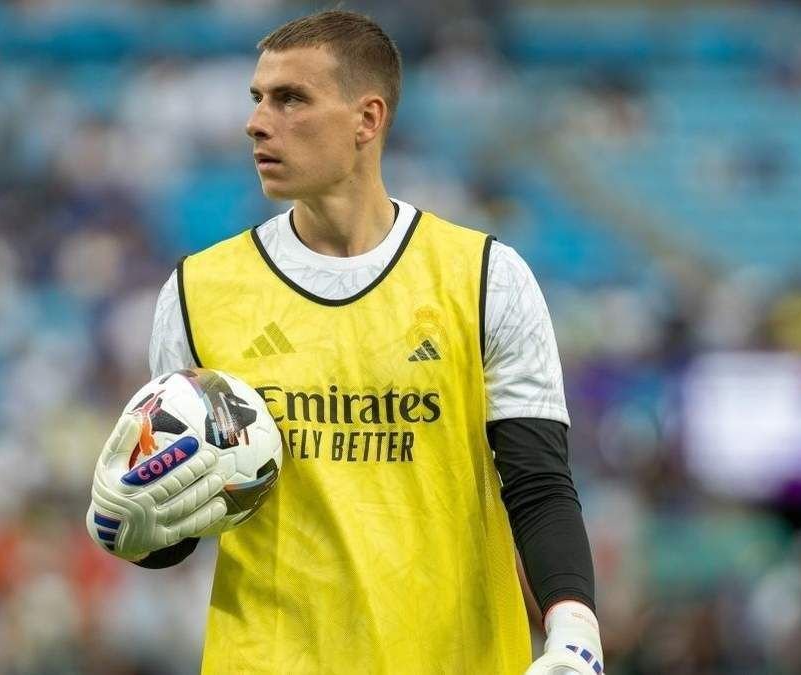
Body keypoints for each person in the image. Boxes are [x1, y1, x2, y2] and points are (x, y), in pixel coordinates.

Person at [87, 10, 602, 674]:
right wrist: (138, 521)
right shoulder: (197, 291)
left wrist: (574, 632)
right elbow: (185, 525)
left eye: (290, 98)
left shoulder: (485, 279)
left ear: (367, 119)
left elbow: (537, 484)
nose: (256, 122)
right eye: (257, 98)